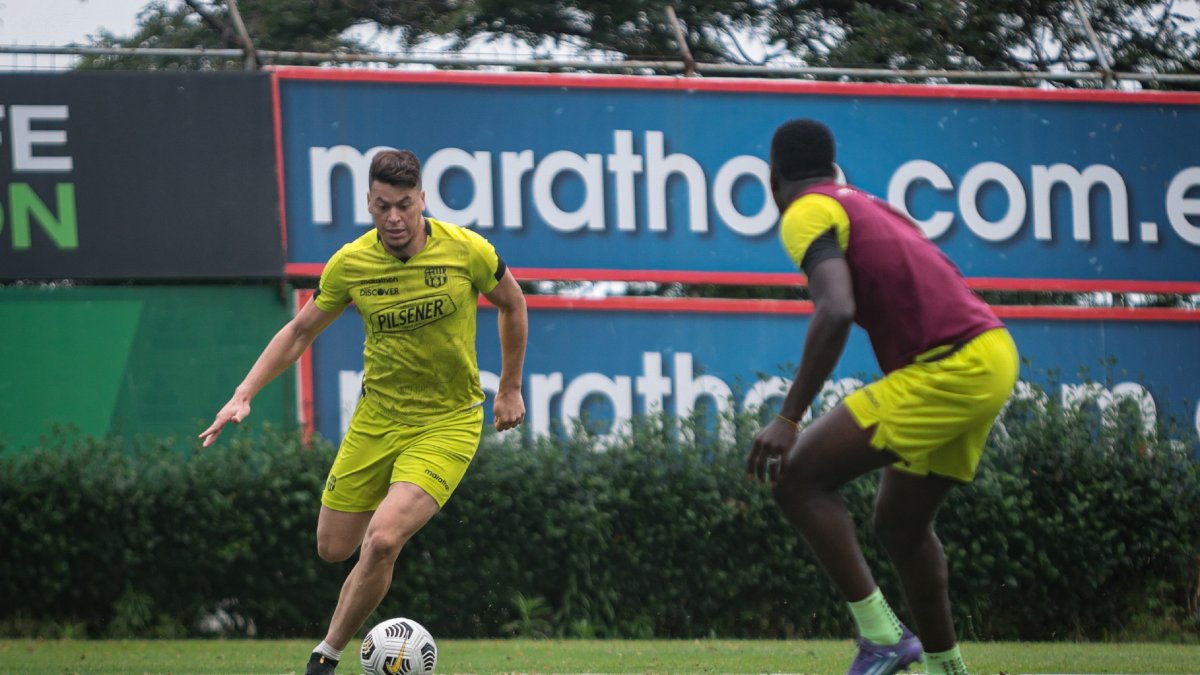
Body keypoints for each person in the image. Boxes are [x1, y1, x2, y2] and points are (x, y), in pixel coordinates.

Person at [199, 149, 528, 675]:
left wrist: (509, 388)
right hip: (376, 421)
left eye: (403, 205)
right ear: (368, 203)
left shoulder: (468, 251)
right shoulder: (351, 263)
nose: (394, 218)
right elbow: (300, 331)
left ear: (422, 199)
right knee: (334, 549)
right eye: (382, 206)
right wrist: (244, 393)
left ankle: (324, 656)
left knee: (383, 539)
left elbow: (513, 303)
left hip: (448, 420)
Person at [747, 119, 1018, 675]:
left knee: (796, 477)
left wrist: (788, 417)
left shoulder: (805, 211)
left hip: (952, 364)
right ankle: (949, 670)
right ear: (833, 168)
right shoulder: (867, 203)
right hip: (991, 352)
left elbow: (837, 308)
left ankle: (883, 638)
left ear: (773, 180)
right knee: (900, 524)